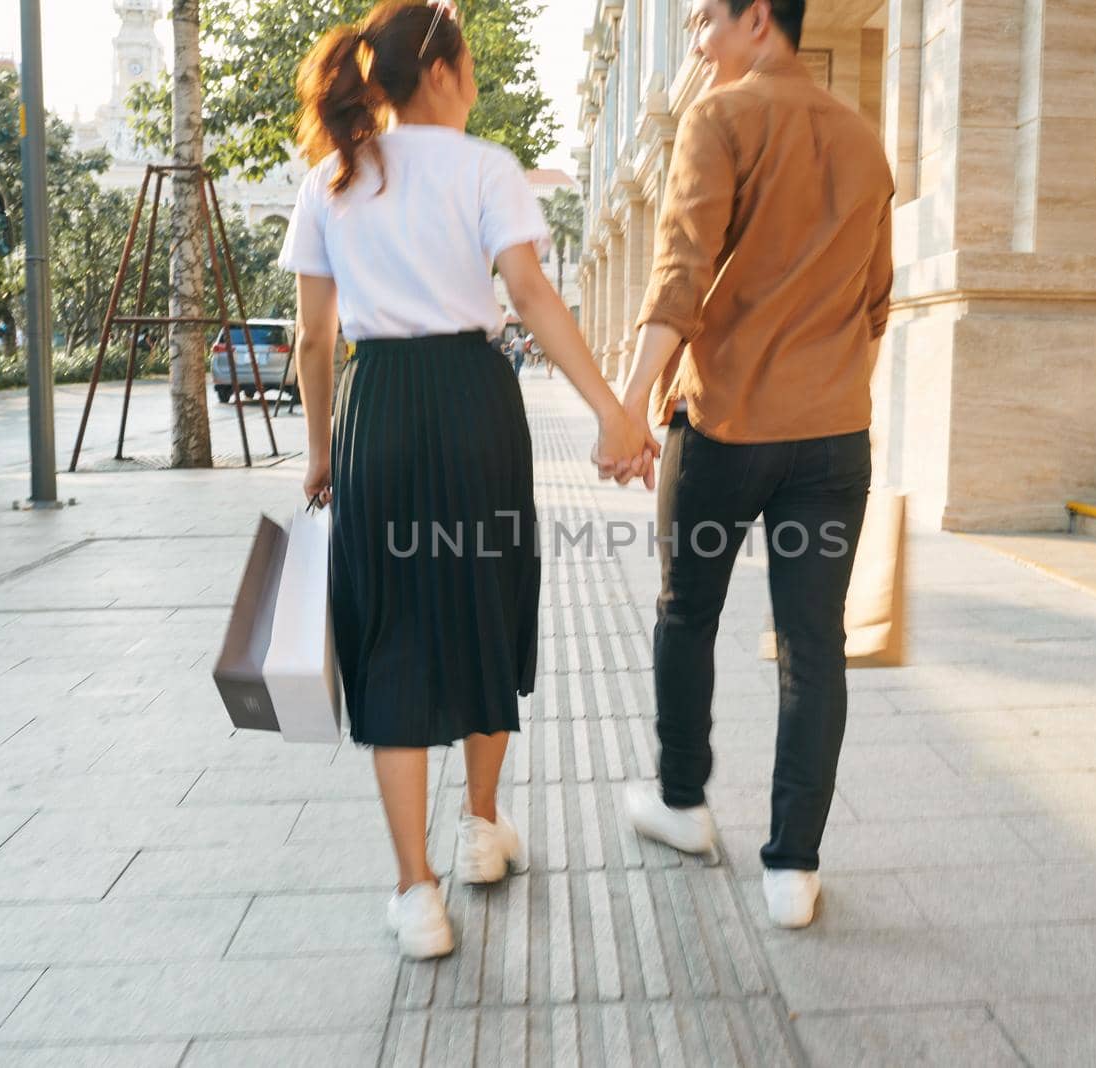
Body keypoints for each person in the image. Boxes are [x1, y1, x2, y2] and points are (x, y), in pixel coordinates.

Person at [283, 0, 658, 961]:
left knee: (393, 631)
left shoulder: (330, 180)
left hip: (381, 408)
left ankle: (417, 894)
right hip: (474, 404)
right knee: (487, 600)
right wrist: (614, 410)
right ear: (444, 71)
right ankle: (482, 827)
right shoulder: (487, 166)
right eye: (472, 60)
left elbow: (313, 341)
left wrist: (324, 451)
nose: (477, 74)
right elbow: (530, 293)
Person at [615, 0, 894, 930]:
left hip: (725, 428)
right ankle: (793, 870)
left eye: (704, 22)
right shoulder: (864, 141)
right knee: (814, 646)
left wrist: (627, 404)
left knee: (687, 613)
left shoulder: (720, 116)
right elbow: (878, 302)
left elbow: (681, 274)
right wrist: (831, 383)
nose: (697, 41)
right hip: (832, 440)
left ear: (758, 21)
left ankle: (685, 805)